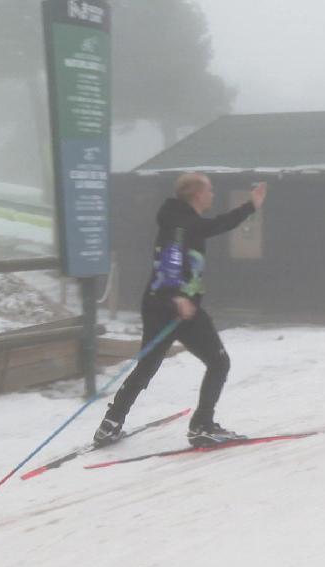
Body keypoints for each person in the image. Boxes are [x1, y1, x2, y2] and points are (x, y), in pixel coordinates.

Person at [94, 173, 266, 448]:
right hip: (177, 306)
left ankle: (110, 424)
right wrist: (177, 296)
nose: (212, 194)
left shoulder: (184, 220)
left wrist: (251, 206)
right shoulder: (180, 224)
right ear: (198, 194)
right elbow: (171, 255)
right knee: (219, 362)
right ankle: (202, 426)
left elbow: (217, 225)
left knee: (148, 365)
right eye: (209, 189)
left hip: (159, 303)